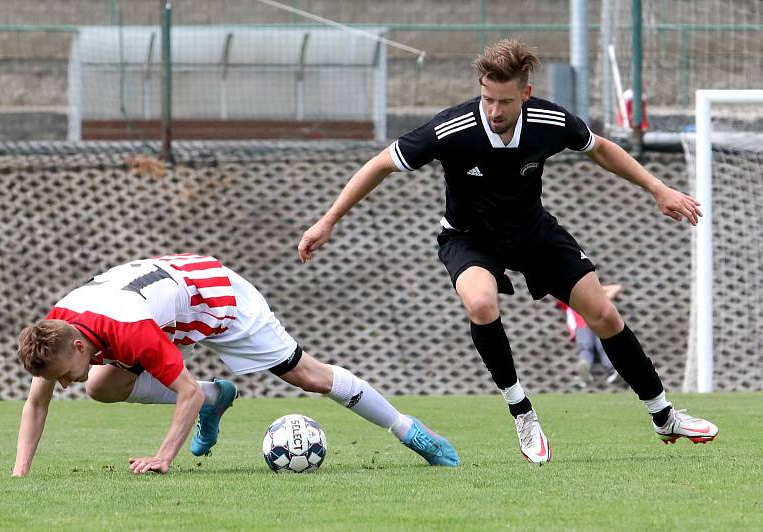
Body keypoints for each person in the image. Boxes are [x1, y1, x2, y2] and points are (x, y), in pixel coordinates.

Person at [298, 39, 718, 464]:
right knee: (481, 304)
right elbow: (380, 165)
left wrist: (658, 189)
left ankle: (663, 415)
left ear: (525, 94)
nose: (494, 110)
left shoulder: (550, 120)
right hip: (468, 237)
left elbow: (601, 149)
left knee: (605, 315)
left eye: (504, 101)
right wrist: (328, 219)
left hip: (533, 233)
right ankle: (522, 411)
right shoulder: (451, 128)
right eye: (486, 98)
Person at [13, 253, 458, 476]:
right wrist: (20, 476)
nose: (63, 385)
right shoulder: (58, 332)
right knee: (99, 386)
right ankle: (217, 397)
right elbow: (37, 403)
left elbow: (182, 391)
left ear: (76, 346)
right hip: (163, 302)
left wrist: (163, 457)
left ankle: (409, 429)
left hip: (217, 297)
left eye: (62, 375)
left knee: (308, 376)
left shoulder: (129, 331)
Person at [556, 284, 623, 387]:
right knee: (585, 347)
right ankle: (585, 371)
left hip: (598, 324)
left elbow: (617, 288)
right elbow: (558, 293)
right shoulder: (570, 300)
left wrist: (593, 291)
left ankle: (613, 371)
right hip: (581, 326)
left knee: (604, 347)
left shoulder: (597, 300)